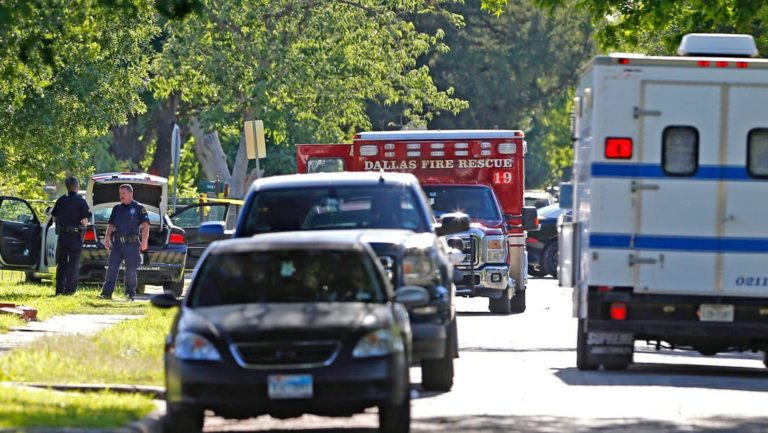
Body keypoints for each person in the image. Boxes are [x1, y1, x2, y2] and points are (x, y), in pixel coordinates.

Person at [99, 184, 150, 301]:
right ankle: (106, 293)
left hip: (132, 244)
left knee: (131, 270)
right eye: (120, 193)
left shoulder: (139, 208)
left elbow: (146, 225)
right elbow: (111, 224)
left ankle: (129, 294)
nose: (121, 196)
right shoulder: (116, 208)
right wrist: (106, 238)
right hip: (117, 244)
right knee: (112, 268)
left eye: (123, 193)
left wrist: (144, 241)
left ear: (130, 193)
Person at [51, 177, 91, 295]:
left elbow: (54, 218)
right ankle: (70, 290)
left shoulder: (61, 200)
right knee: (74, 263)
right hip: (75, 237)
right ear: (77, 186)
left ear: (67, 187)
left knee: (62, 263)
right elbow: (85, 221)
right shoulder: (81, 201)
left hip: (63, 236)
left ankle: (59, 289)